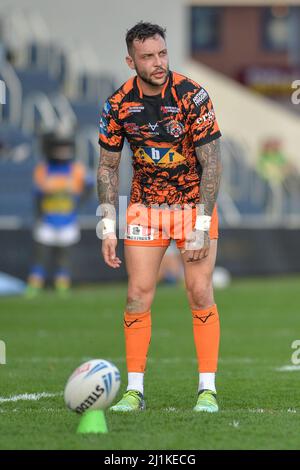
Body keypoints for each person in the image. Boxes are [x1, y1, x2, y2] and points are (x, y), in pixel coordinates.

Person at [97, 22, 222, 412]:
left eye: (162, 53)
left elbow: (213, 164)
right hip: (144, 209)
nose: (158, 62)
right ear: (131, 60)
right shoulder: (118, 103)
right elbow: (106, 167)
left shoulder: (193, 95)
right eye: (148, 56)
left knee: (199, 292)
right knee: (136, 296)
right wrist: (107, 225)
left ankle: (207, 390)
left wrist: (201, 225)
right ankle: (134, 391)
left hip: (191, 207)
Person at [26, 130, 93, 296]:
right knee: (40, 256)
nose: (62, 152)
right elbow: (37, 194)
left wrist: (79, 201)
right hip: (47, 220)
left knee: (64, 257)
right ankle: (34, 286)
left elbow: (89, 185)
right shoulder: (43, 169)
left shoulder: (77, 169)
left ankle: (62, 286)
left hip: (68, 220)